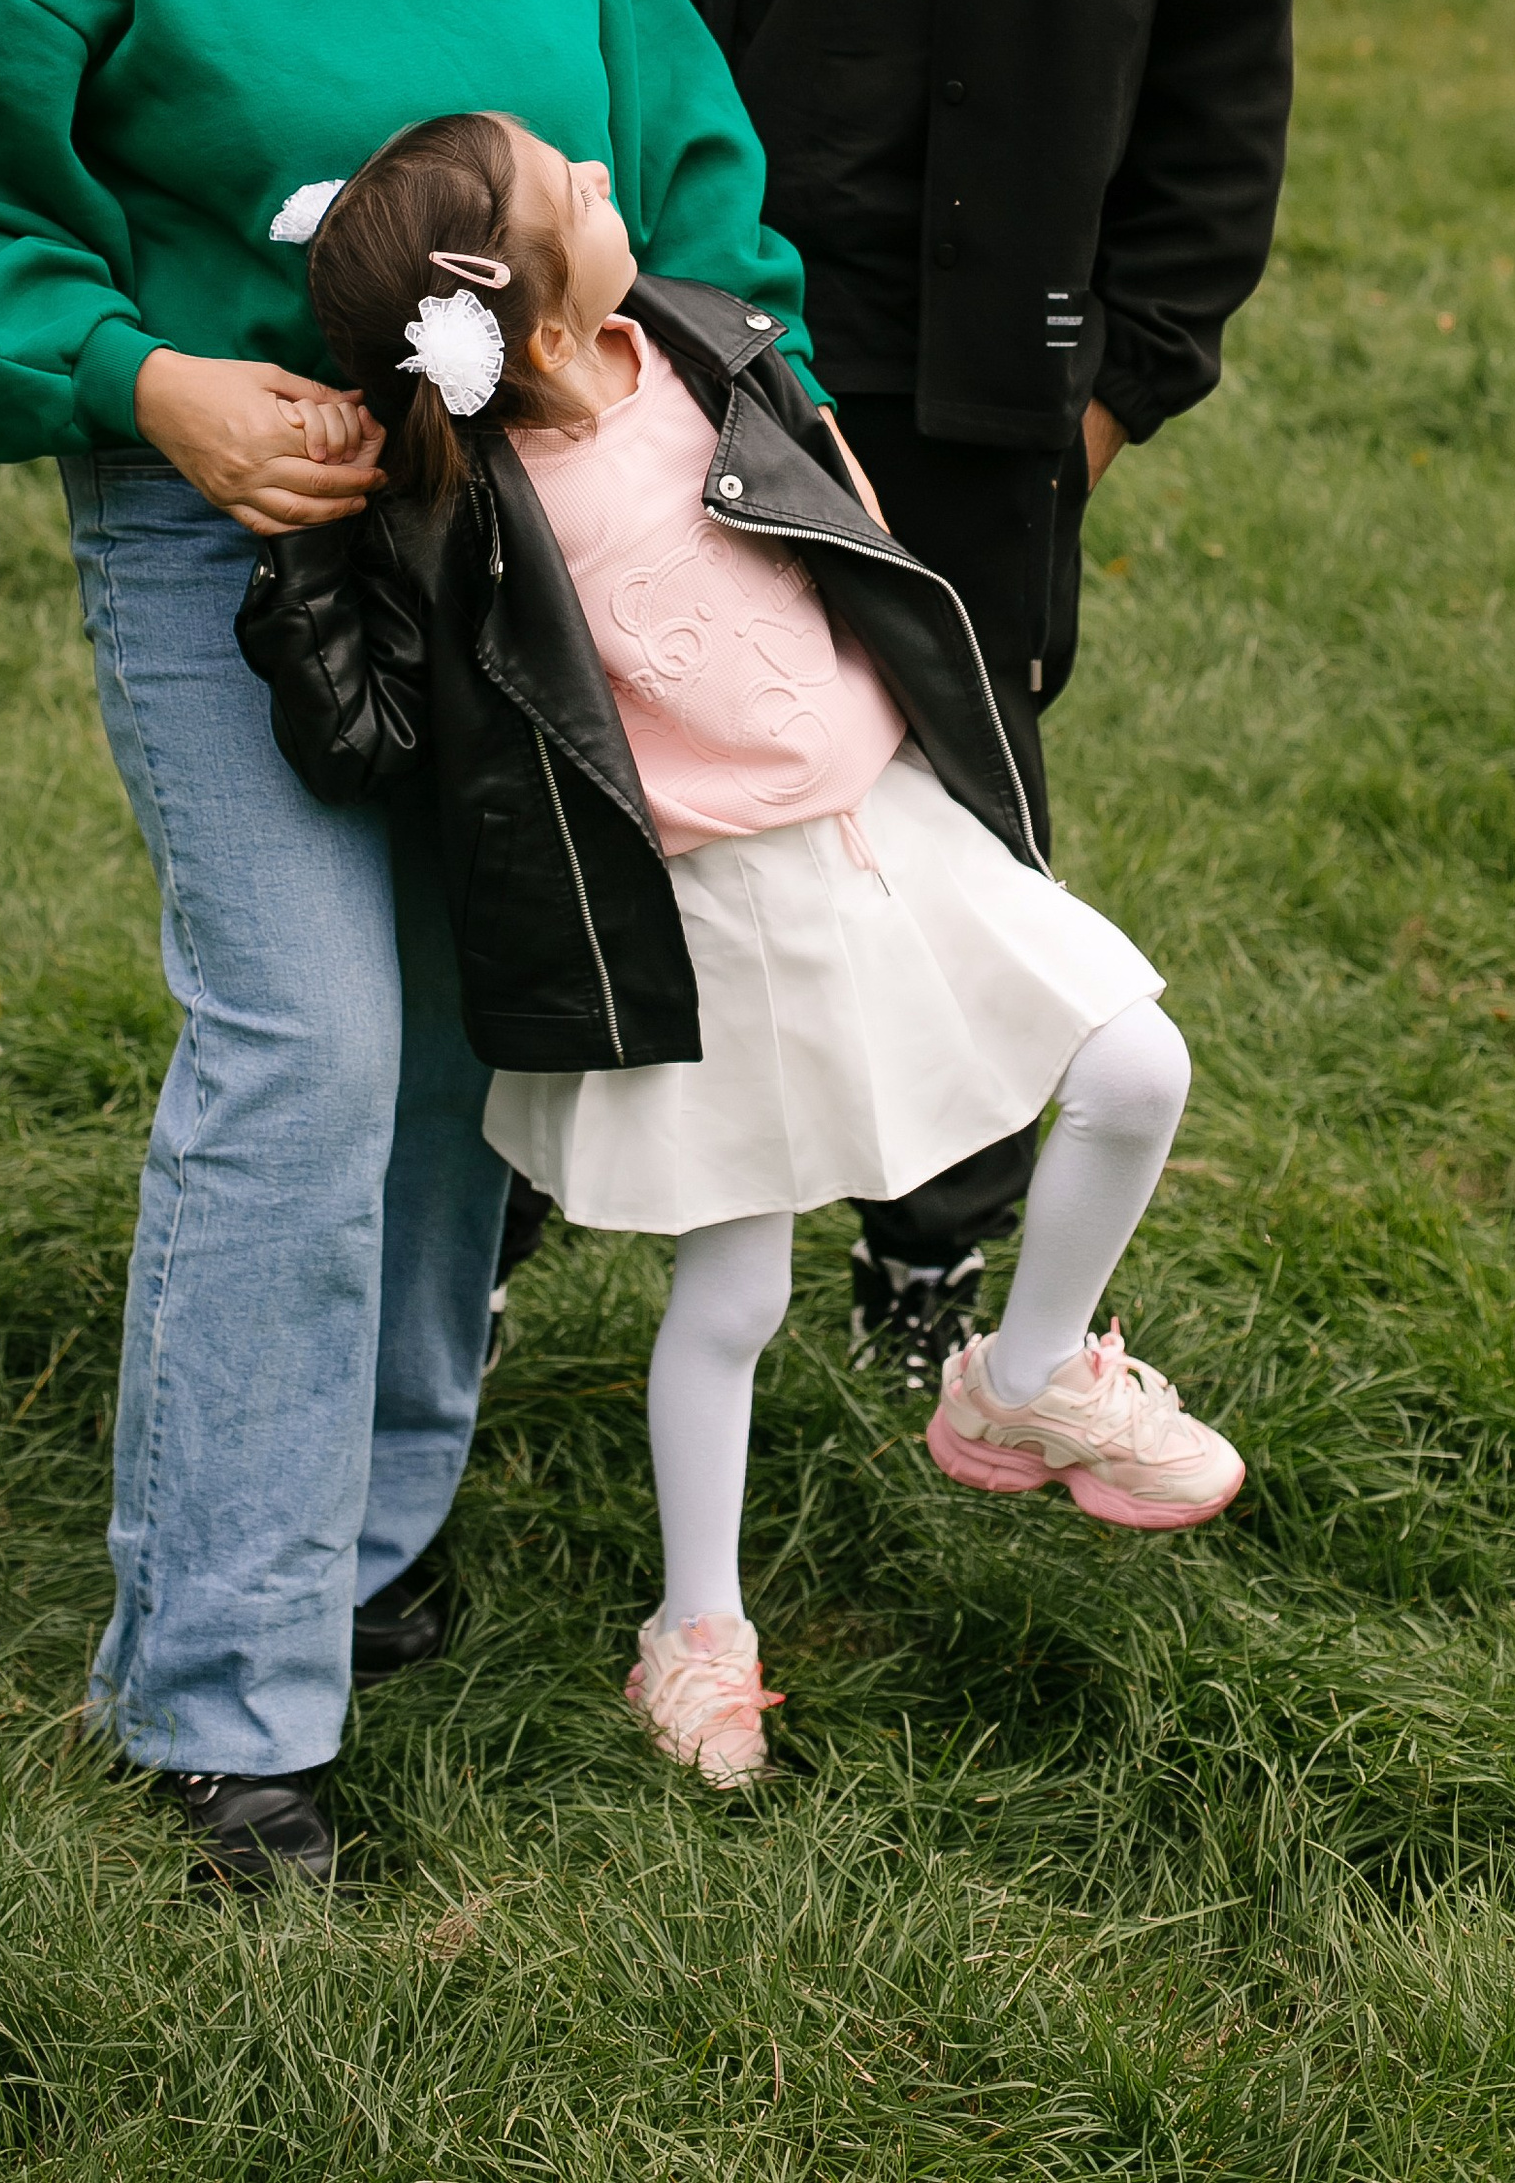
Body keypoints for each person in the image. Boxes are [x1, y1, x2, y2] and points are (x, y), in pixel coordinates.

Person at [0, 0, 821, 1890]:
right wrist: (143, 383)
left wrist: (742, 415)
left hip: (537, 514)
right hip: (246, 540)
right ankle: (224, 1700)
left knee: (451, 1045)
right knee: (303, 1048)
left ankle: (361, 1548)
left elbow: (676, 122)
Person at [523, 0, 1298, 1390]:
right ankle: (479, 1247)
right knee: (587, 808)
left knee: (948, 839)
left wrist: (1107, 384)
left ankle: (932, 1274)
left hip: (978, 384)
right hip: (659, 359)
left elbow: (1217, 72)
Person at [240, 109, 1242, 1784]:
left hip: (887, 830)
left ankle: (1030, 1373)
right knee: (735, 1288)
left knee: (1138, 1061)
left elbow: (847, 534)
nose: (611, 185)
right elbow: (376, 738)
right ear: (535, 323)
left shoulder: (711, 349)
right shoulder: (467, 514)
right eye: (575, 191)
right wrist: (306, 565)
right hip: (707, 912)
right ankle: (695, 1628)